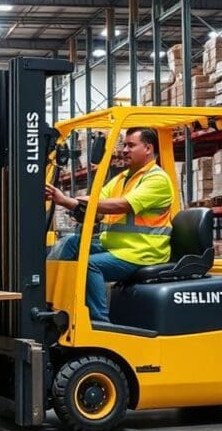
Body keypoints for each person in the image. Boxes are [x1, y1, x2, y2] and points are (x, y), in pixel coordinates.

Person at [45, 127, 174, 323]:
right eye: (125, 145)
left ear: (148, 148)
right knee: (70, 242)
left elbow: (123, 205)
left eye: (131, 145)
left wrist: (83, 201)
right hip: (116, 247)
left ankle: (99, 322)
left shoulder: (157, 179)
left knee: (90, 265)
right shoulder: (121, 178)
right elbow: (96, 206)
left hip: (142, 252)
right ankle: (48, 302)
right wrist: (63, 200)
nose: (125, 150)